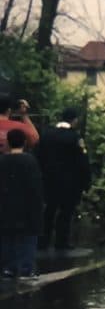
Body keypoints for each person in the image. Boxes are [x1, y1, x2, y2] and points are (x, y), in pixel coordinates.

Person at [36, 107, 91, 251]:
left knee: (49, 210)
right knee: (65, 212)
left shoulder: (46, 134)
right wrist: (86, 182)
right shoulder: (75, 138)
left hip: (49, 180)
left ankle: (43, 241)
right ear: (74, 120)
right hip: (69, 183)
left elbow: (38, 156)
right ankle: (61, 242)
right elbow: (82, 162)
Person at [0, 128, 44, 278]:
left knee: (7, 237)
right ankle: (27, 268)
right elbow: (36, 187)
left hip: (6, 205)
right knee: (28, 237)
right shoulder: (30, 161)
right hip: (27, 206)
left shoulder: (2, 160)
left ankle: (8, 268)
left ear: (7, 142)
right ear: (25, 142)